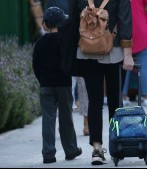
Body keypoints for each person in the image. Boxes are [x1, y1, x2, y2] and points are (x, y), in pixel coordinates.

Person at [66, 0, 134, 165]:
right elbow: (125, 21)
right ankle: (116, 144)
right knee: (115, 101)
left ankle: (97, 148)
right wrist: (128, 54)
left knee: (94, 102)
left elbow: (72, 22)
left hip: (86, 51)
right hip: (114, 50)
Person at [32, 7, 82, 164]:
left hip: (46, 84)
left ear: (45, 25)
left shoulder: (40, 42)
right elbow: (71, 61)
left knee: (48, 118)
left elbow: (36, 65)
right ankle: (71, 150)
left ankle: (48, 154)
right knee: (66, 117)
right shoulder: (65, 40)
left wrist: (42, 80)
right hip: (64, 84)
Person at [122, 0, 147, 107]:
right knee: (144, 66)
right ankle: (146, 97)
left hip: (124, 28)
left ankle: (124, 96)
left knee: (125, 65)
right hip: (141, 28)